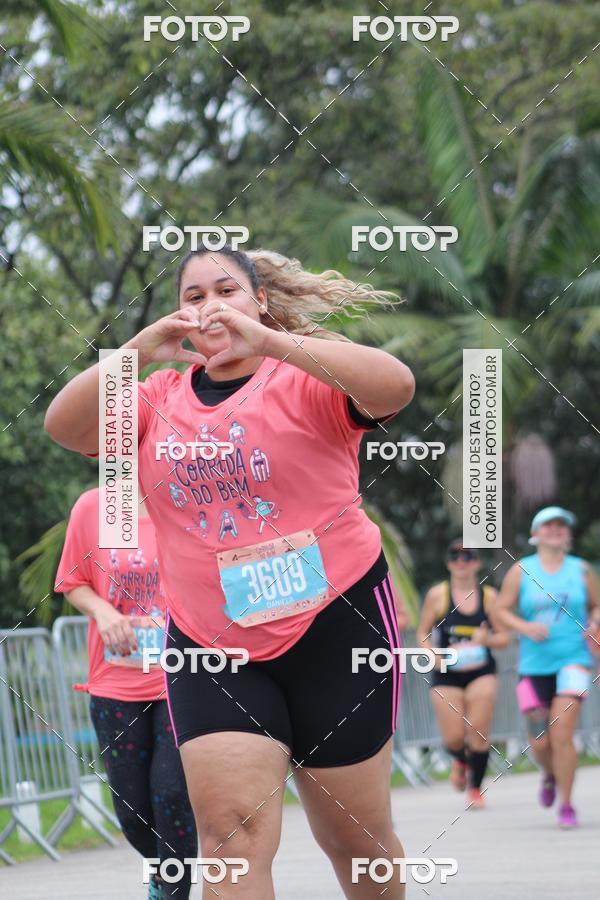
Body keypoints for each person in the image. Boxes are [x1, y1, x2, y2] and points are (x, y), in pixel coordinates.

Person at [45, 246, 416, 899]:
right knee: (228, 838)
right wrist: (136, 350)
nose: (209, 305)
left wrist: (276, 344)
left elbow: (396, 386)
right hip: (213, 646)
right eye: (192, 296)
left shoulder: (305, 376)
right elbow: (65, 428)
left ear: (260, 300)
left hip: (338, 625)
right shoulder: (157, 398)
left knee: (355, 841)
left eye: (226, 290)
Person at [54, 487, 197, 899]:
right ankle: (164, 875)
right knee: (132, 811)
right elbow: (74, 581)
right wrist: (105, 613)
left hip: (182, 678)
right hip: (116, 679)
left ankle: (173, 890)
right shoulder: (95, 507)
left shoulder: (187, 499)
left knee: (171, 793)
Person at [497, 506, 600, 828]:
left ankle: (567, 805)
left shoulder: (581, 570)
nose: (556, 530)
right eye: (549, 525)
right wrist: (524, 628)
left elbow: (597, 605)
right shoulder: (521, 571)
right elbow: (501, 609)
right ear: (536, 533)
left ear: (567, 534)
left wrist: (595, 620)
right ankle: (550, 774)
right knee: (540, 742)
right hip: (533, 665)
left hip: (574, 661)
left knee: (563, 734)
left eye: (561, 525)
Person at [417, 541, 509, 808]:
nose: (461, 562)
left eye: (467, 557)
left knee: (478, 730)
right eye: (455, 557)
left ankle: (475, 789)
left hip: (481, 671)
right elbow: (422, 632)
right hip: (447, 673)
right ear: (448, 564)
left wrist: (488, 640)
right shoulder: (438, 595)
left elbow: (504, 638)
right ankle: (459, 759)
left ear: (477, 563)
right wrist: (431, 654)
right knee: (454, 737)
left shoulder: (489, 597)